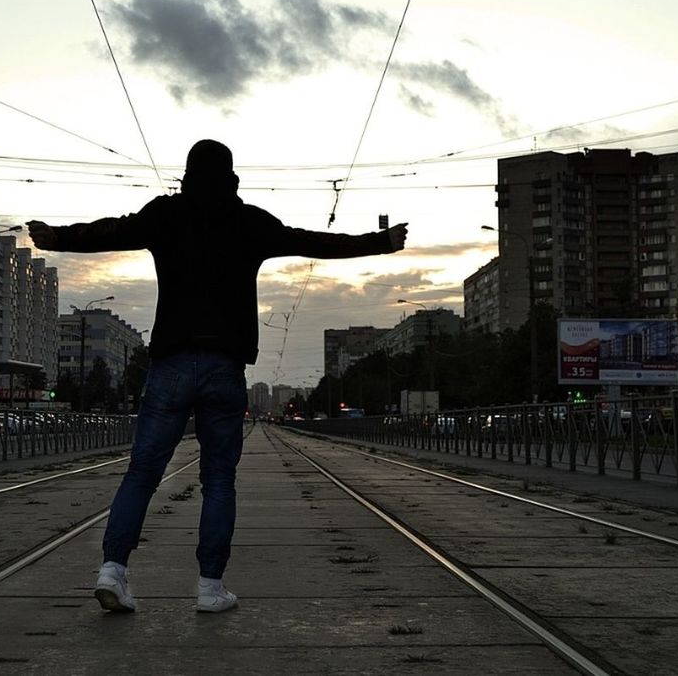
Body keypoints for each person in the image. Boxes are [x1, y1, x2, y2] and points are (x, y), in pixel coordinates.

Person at [28, 139, 408, 614]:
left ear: (186, 173)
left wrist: (58, 237)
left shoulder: (166, 214)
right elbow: (311, 241)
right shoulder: (248, 221)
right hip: (224, 370)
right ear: (231, 174)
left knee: (143, 472)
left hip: (169, 366)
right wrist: (379, 242)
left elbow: (110, 232)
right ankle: (210, 588)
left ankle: (113, 570)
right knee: (219, 481)